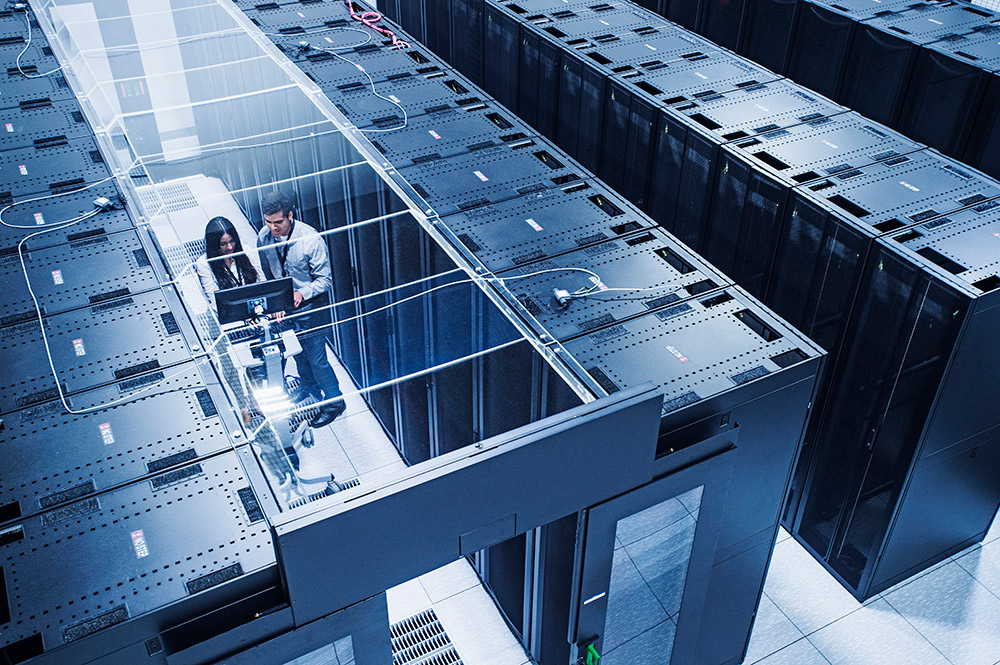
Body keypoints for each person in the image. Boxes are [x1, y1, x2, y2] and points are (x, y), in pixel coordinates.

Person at [256, 191, 345, 427]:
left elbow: (324, 281)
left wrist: (301, 293)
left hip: (311, 306)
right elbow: (268, 272)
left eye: (278, 222)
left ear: (290, 216)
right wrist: (275, 301)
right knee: (298, 353)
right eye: (268, 221)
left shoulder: (310, 239)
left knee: (317, 359)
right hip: (285, 307)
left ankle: (336, 402)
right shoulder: (263, 236)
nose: (272, 227)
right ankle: (308, 387)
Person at [195, 216, 265, 306]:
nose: (230, 247)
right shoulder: (204, 264)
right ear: (214, 245)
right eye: (223, 244)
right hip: (230, 312)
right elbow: (214, 301)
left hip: (255, 305)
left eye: (232, 241)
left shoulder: (246, 251)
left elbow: (262, 281)